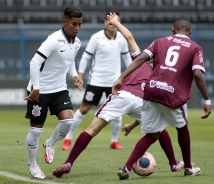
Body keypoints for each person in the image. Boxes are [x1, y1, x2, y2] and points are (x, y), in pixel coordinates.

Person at [52, 12, 184, 178]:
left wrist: (116, 23)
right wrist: (132, 124)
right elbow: (152, 107)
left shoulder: (142, 58)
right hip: (140, 100)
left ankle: (68, 163)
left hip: (123, 95)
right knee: (159, 129)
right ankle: (173, 164)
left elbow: (128, 36)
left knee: (92, 129)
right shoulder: (162, 74)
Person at [115, 17, 211, 180]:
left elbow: (140, 59)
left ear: (173, 29)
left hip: (151, 90)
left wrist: (121, 78)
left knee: (152, 135)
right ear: (190, 32)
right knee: (182, 128)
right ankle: (188, 167)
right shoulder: (195, 48)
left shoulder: (159, 42)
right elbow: (197, 73)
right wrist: (207, 100)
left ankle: (126, 167)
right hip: (172, 93)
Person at [24, 6, 83, 180]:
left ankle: (50, 143)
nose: (77, 27)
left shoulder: (77, 43)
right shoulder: (54, 40)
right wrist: (36, 87)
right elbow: (34, 62)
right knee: (35, 131)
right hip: (40, 91)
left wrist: (74, 75)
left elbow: (69, 61)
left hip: (59, 89)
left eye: (80, 24)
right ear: (65, 22)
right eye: (74, 24)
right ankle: (32, 165)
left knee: (68, 121)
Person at [62, 11, 132, 151]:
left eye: (116, 21)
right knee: (84, 109)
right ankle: (68, 138)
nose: (113, 24)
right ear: (105, 23)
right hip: (96, 81)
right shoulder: (97, 38)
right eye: (110, 22)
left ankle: (114, 141)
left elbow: (127, 60)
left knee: (117, 111)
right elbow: (86, 57)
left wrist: (131, 77)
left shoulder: (122, 39)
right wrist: (80, 75)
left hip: (114, 82)